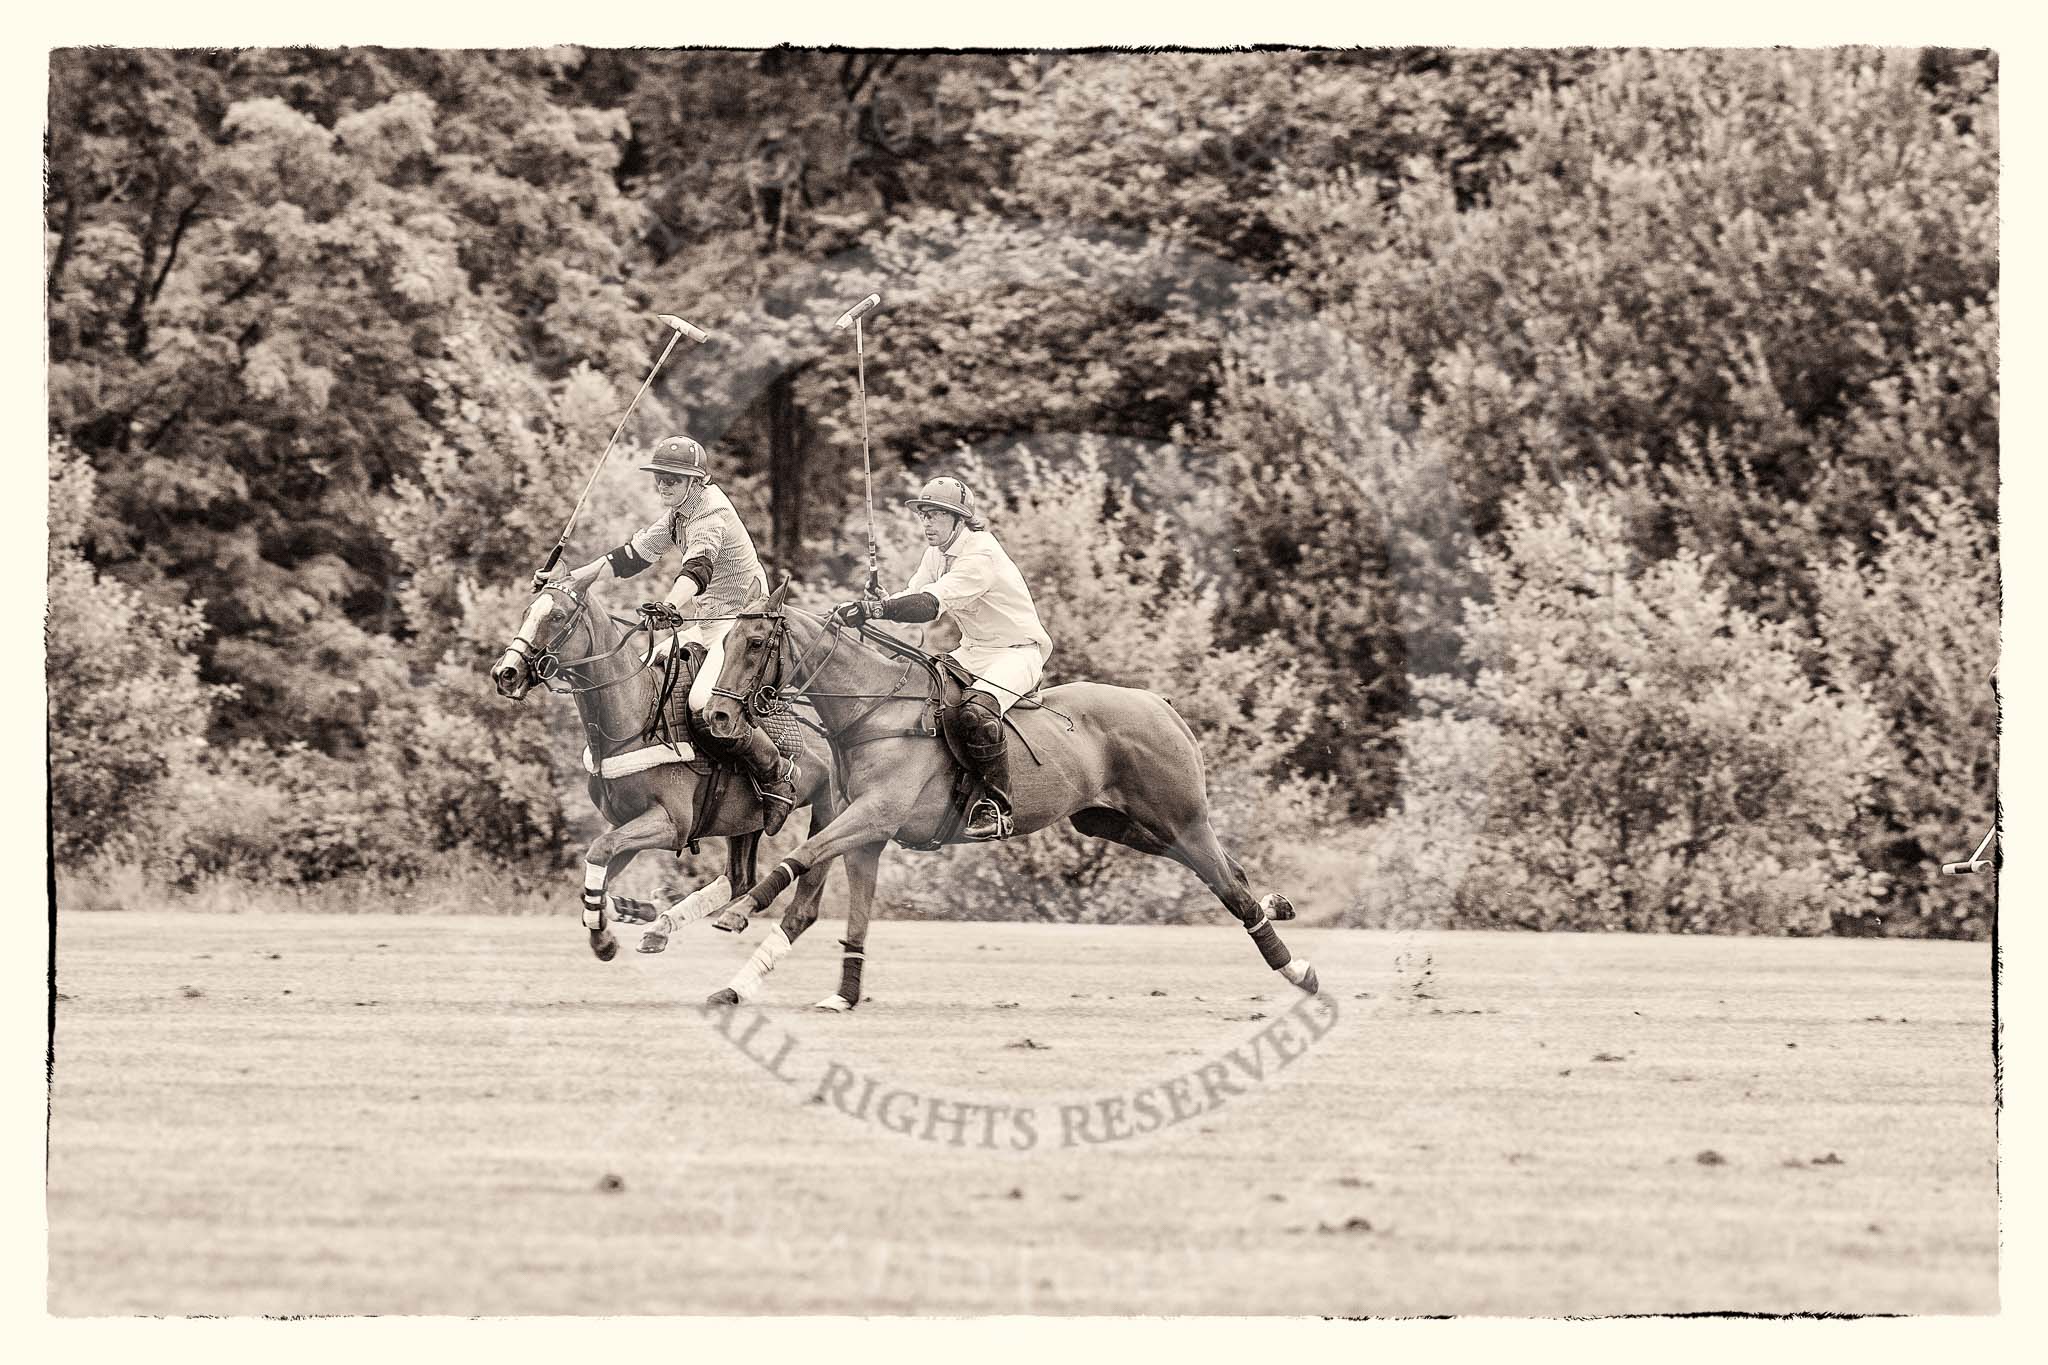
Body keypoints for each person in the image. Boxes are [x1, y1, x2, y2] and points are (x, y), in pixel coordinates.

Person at [551, 435, 800, 834]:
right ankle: (670, 765)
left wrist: (671, 604)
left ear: (695, 482)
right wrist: (567, 579)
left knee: (703, 700)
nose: (663, 484)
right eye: (660, 477)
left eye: (673, 478)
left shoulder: (709, 514)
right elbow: (632, 555)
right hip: (707, 624)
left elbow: (697, 568)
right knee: (641, 672)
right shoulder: (679, 514)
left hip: (740, 627)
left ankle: (776, 774)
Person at [832, 476, 1052, 840]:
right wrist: (882, 601)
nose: (926, 523)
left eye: (934, 515)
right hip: (974, 652)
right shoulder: (937, 554)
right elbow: (914, 595)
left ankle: (997, 806)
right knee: (923, 689)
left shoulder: (980, 553)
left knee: (976, 712)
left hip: (1017, 653)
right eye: (923, 515)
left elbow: (930, 605)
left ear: (959, 519)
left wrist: (875, 609)